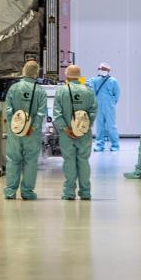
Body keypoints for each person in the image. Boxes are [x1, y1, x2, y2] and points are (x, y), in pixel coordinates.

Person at [3, 60, 47, 201]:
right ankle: (27, 192)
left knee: (13, 160)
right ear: (36, 72)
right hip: (32, 134)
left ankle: (10, 191)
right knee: (30, 162)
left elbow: (8, 109)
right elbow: (41, 113)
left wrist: (14, 126)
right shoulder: (40, 90)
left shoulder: (14, 88)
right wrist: (32, 127)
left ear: (23, 70)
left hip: (15, 132)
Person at [53, 64, 98, 200]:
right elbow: (93, 111)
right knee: (83, 161)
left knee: (69, 161)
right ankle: (85, 192)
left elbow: (57, 113)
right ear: (79, 76)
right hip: (84, 133)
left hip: (66, 134)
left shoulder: (62, 91)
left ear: (67, 76)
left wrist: (66, 128)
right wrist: (83, 127)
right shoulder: (88, 91)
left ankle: (69, 192)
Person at [91, 63, 121, 152]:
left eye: (103, 69)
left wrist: (111, 102)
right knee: (100, 126)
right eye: (100, 68)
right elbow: (86, 82)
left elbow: (117, 94)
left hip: (109, 106)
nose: (101, 70)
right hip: (99, 105)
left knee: (111, 126)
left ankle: (115, 145)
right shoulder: (95, 80)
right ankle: (100, 145)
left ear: (108, 70)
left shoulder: (113, 81)